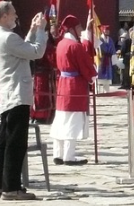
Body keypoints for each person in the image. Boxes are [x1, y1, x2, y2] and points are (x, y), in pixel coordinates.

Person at [0, 1, 48, 200]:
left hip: (8, 94)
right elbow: (36, 52)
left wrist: (32, 30)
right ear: (4, 16)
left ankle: (1, 184)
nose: (16, 16)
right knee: (16, 143)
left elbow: (23, 48)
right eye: (13, 13)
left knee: (4, 141)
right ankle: (11, 187)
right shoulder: (7, 37)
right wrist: (41, 31)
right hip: (16, 93)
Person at [52, 14, 97, 165]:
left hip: (62, 85)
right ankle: (69, 156)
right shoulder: (75, 46)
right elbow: (85, 65)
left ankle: (58, 153)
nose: (80, 30)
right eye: (78, 27)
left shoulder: (61, 44)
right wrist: (92, 75)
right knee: (72, 121)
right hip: (74, 86)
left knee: (61, 119)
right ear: (72, 29)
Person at [30, 22, 58, 125]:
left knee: (48, 95)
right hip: (41, 72)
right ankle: (39, 116)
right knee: (40, 95)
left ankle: (49, 116)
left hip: (48, 72)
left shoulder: (50, 41)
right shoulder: (38, 40)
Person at [96, 25, 117, 93]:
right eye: (106, 30)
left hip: (108, 59)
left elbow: (113, 50)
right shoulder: (99, 39)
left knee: (108, 75)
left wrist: (114, 61)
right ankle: (97, 91)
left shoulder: (110, 40)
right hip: (101, 59)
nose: (107, 31)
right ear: (103, 31)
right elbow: (96, 49)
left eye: (108, 30)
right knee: (99, 73)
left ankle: (106, 91)